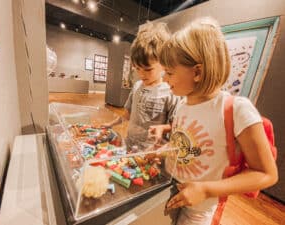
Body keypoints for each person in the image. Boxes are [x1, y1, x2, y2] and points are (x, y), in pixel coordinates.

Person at [149, 17, 278, 225]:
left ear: (198, 72)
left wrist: (206, 189)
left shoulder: (237, 109)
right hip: (169, 191)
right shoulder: (182, 104)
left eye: (170, 72)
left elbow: (266, 173)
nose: (164, 78)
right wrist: (162, 149)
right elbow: (189, 142)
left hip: (200, 208)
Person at [104, 22, 180, 151]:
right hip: (130, 145)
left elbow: (175, 126)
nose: (141, 74)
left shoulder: (171, 92)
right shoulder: (137, 86)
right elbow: (128, 113)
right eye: (137, 68)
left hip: (151, 153)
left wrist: (163, 130)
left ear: (163, 64)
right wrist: (111, 124)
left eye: (148, 69)